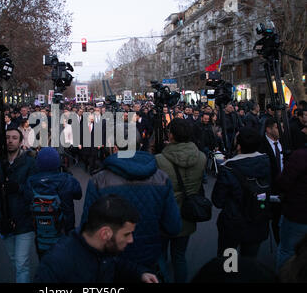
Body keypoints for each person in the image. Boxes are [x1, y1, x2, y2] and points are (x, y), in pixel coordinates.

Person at [80, 141, 182, 277]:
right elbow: (173, 227)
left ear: (115, 148)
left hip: (111, 258)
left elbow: (87, 229)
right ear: (139, 146)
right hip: (149, 257)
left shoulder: (99, 180)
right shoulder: (162, 178)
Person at [34, 195, 159, 283]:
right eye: (127, 234)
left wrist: (140, 273)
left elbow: (116, 265)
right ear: (105, 233)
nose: (131, 240)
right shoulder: (56, 263)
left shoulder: (103, 249)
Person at [155, 118, 207, 283]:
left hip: (165, 213)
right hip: (187, 211)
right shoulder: (201, 157)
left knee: (160, 255)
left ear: (170, 135)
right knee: (179, 256)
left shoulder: (160, 160)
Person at [0, 128, 38, 283]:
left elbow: (35, 191)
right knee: (14, 258)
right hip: (4, 221)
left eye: (14, 138)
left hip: (24, 221)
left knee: (21, 262)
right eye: (7, 137)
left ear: (21, 142)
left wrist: (19, 188)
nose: (10, 141)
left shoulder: (30, 163)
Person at [212, 127, 271, 258]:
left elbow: (218, 200)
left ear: (238, 146)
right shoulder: (266, 161)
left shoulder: (228, 168)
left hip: (233, 224)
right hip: (258, 219)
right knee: (249, 261)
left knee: (228, 262)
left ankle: (229, 276)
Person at [26, 147, 82, 258]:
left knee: (45, 264)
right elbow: (78, 195)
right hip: (65, 231)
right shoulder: (66, 180)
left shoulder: (30, 181)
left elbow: (26, 200)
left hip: (41, 233)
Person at [275, 145, 307, 271]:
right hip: (298, 213)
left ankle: (284, 276)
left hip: (297, 214)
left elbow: (283, 182)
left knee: (287, 251)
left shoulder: (301, 156)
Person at [258, 117, 284, 245]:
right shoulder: (261, 145)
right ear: (268, 129)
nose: (281, 130)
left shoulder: (284, 142)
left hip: (284, 189)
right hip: (269, 189)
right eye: (277, 127)